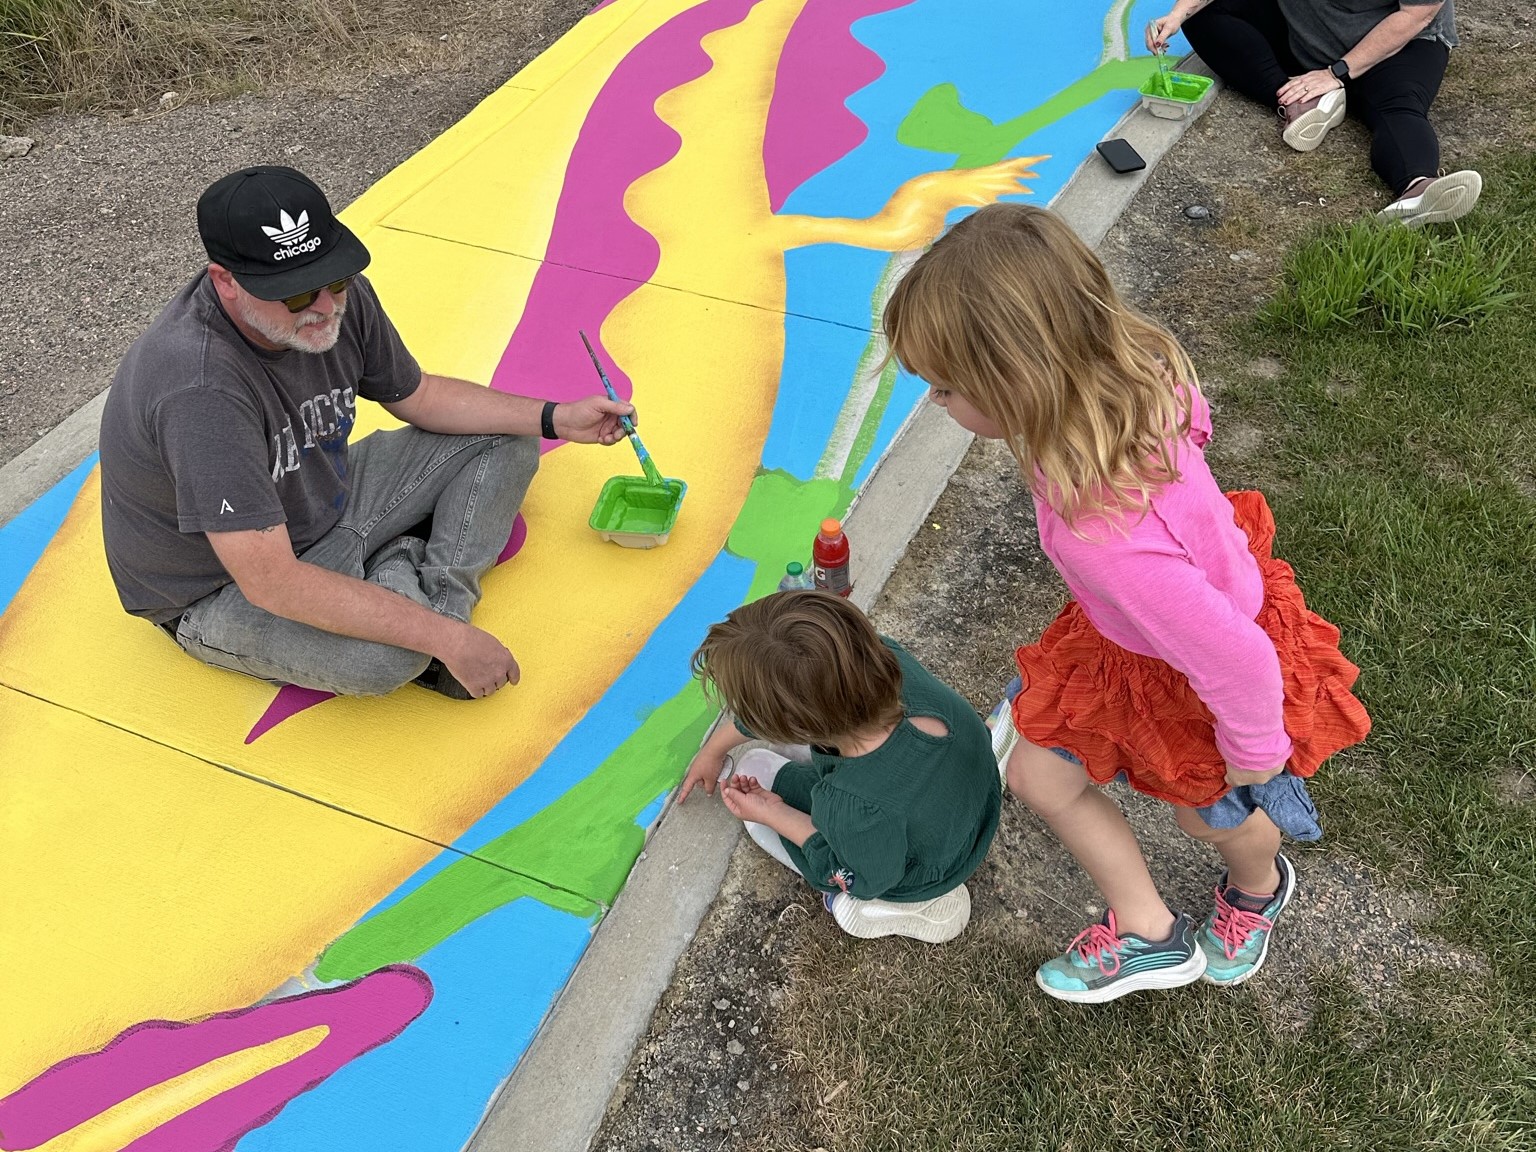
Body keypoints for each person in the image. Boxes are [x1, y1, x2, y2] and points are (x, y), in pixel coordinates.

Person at [882, 203, 1371, 1001]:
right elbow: (1198, 436)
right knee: (1040, 777)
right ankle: (1147, 930)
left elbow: (1237, 659)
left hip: (1195, 674)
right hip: (1152, 628)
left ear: (1018, 380)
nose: (936, 401)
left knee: (1209, 812)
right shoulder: (1141, 370)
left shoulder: (1102, 539)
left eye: (945, 386)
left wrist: (1251, 753)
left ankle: (1256, 889)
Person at [99, 165, 634, 699]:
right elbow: (272, 581)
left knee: (509, 434)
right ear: (225, 282)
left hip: (322, 496)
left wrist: (556, 416)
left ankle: (426, 598)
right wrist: (441, 637)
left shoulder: (333, 303)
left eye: (334, 280)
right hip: (224, 586)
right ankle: (405, 579)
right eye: (295, 296)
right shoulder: (198, 389)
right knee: (388, 659)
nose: (325, 308)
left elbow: (419, 395)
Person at [678, 590, 1001, 944]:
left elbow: (866, 876)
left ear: (796, 724)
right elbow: (804, 699)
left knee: (757, 784)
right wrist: (714, 749)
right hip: (969, 806)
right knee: (765, 758)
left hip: (927, 869)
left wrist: (774, 813)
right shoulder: (886, 661)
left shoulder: (851, 806)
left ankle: (897, 908)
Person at [1147, 0, 1480, 227]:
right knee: (1205, 14)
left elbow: (1416, 15)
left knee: (1397, 106)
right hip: (1307, 34)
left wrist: (1336, 73)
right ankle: (1298, 100)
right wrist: (1177, 14)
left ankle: (1418, 186)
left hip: (1395, 48)